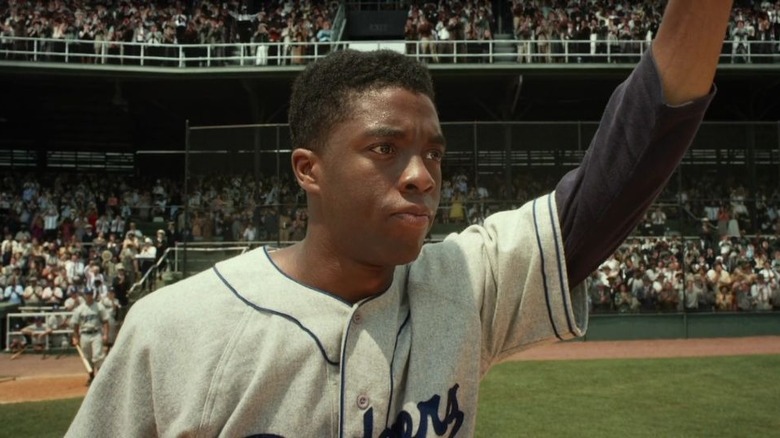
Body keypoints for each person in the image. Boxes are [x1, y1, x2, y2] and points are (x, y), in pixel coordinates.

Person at [67, 2, 734, 436]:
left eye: (433, 153)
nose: (422, 174)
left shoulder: (462, 286)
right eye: (385, 148)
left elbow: (624, 165)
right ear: (309, 169)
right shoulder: (173, 331)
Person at [70, 289, 110, 385]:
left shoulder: (99, 307)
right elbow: (75, 324)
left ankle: (100, 378)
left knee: (98, 356)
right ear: (84, 295)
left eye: (90, 294)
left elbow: (105, 321)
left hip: (96, 333)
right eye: (87, 294)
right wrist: (76, 337)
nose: (89, 296)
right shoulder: (80, 309)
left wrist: (105, 334)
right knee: (87, 357)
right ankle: (91, 377)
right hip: (84, 334)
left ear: (93, 295)